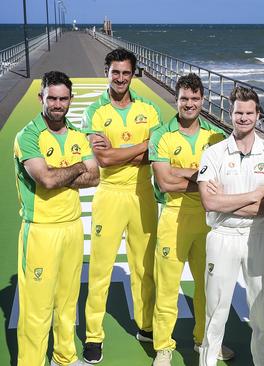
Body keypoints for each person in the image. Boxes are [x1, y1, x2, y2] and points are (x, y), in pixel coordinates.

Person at [81, 48, 162, 363]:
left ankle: (145, 326)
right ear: (107, 72)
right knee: (100, 268)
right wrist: (142, 145)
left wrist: (123, 151)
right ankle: (93, 336)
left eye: (126, 73)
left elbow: (154, 156)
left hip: (142, 193)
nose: (120, 78)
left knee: (144, 267)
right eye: (115, 72)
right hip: (110, 192)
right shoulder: (95, 112)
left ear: (133, 75)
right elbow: (104, 159)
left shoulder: (149, 108)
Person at [197, 86, 264, 366]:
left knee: (262, 312)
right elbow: (209, 203)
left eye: (249, 113)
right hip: (222, 236)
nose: (243, 118)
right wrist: (254, 195)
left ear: (258, 115)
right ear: (231, 113)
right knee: (216, 311)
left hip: (259, 235)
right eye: (238, 113)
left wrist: (227, 199)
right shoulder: (213, 154)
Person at [14, 71, 99, 366]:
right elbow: (46, 180)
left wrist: (64, 171)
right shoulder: (28, 136)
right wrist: (77, 167)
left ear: (71, 100)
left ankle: (64, 357)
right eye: (52, 98)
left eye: (63, 98)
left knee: (66, 301)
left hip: (72, 227)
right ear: (41, 98)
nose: (58, 104)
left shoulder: (77, 134)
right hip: (41, 231)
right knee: (37, 309)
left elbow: (95, 176)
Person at [148, 73, 228, 365]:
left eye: (195, 99)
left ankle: (205, 341)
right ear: (176, 98)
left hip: (207, 218)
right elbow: (166, 183)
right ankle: (164, 347)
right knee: (168, 286)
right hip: (173, 216)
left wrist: (180, 171)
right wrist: (200, 177)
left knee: (208, 286)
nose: (189, 104)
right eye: (184, 98)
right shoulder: (161, 134)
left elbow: (222, 181)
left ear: (202, 100)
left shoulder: (215, 136)